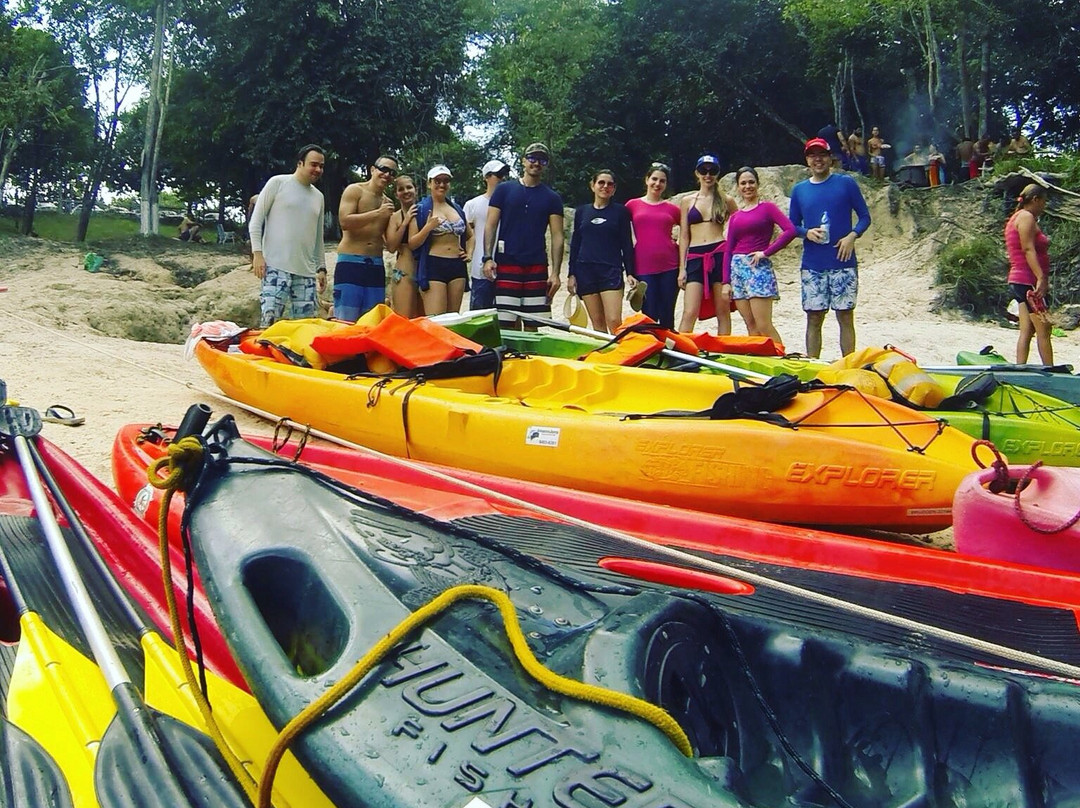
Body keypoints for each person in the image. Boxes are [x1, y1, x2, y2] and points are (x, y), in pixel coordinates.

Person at [788, 137, 872, 358]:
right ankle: (813, 365)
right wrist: (807, 232)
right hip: (813, 264)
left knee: (845, 316)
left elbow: (864, 217)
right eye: (813, 155)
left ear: (830, 158)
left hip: (843, 262)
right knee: (814, 317)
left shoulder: (846, 183)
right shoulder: (799, 190)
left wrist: (852, 236)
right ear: (807, 160)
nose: (818, 159)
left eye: (822, 155)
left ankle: (849, 365)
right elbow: (792, 225)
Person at [482, 142, 565, 330]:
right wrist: (487, 258)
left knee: (534, 324)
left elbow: (557, 235)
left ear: (546, 165)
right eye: (532, 158)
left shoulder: (552, 197)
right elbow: (490, 225)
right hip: (507, 264)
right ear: (523, 161)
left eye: (542, 159)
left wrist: (556, 273)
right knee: (506, 322)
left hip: (536, 266)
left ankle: (531, 359)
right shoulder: (504, 190)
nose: (536, 163)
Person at [249, 144, 327, 327]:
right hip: (276, 267)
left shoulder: (319, 197)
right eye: (313, 164)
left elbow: (318, 237)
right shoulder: (278, 183)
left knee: (305, 328)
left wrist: (321, 268)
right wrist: (257, 254)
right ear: (300, 163)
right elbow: (255, 221)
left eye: (321, 166)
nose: (318, 170)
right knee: (269, 322)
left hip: (306, 273)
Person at [721, 166, 796, 345]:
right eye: (743, 183)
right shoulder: (736, 216)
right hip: (737, 269)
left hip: (757, 267)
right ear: (738, 187)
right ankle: (761, 361)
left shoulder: (767, 208)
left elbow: (790, 230)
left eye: (751, 182)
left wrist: (766, 252)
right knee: (751, 325)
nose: (748, 186)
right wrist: (725, 281)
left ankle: (782, 358)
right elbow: (728, 248)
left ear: (758, 184)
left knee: (764, 325)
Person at [568, 169, 637, 333]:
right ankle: (604, 357)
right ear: (592, 186)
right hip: (585, 271)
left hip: (610, 270)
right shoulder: (582, 212)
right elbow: (576, 243)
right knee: (597, 324)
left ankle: (622, 356)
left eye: (610, 184)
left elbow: (626, 244)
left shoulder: (621, 212)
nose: (605, 187)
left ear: (614, 189)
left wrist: (630, 272)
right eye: (601, 183)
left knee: (614, 321)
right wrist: (571, 274)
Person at [678, 154, 737, 334]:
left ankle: (723, 349)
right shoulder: (687, 201)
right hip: (695, 255)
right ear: (697, 173)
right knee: (689, 312)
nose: (708, 175)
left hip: (719, 252)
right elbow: (684, 235)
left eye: (712, 171)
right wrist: (682, 268)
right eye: (704, 171)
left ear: (718, 174)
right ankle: (679, 350)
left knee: (723, 310)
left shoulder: (726, 200)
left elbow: (739, 225)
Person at [336, 156, 399, 321]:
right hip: (351, 262)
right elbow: (344, 221)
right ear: (373, 169)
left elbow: (389, 242)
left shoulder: (388, 203)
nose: (387, 175)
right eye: (383, 169)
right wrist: (377, 213)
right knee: (346, 320)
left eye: (392, 173)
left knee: (372, 319)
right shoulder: (355, 190)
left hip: (375, 265)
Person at [408, 165, 472, 316]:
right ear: (429, 183)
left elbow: (470, 235)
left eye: (445, 181)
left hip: (457, 265)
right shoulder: (421, 209)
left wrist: (469, 252)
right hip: (434, 264)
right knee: (437, 320)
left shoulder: (456, 209)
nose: (442, 185)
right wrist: (428, 228)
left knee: (454, 317)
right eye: (437, 181)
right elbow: (412, 243)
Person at [625, 162, 681, 328]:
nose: (657, 184)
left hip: (670, 267)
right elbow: (622, 234)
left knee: (667, 314)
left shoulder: (672, 209)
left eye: (662, 181)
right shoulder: (632, 205)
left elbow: (687, 232)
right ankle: (651, 350)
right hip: (643, 267)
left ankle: (670, 352)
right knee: (649, 315)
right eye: (654, 179)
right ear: (646, 180)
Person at [1006, 183, 1053, 365]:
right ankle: (1051, 371)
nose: (1044, 206)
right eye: (1043, 202)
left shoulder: (1017, 217)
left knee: (1027, 329)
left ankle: (1020, 367)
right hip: (1027, 280)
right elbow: (1028, 249)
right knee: (1044, 328)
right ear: (1036, 200)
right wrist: (1041, 277)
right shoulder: (1026, 217)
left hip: (1020, 279)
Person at [463, 160, 510, 311]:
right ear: (486, 177)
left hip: (508, 267)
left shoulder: (512, 203)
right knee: (480, 315)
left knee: (508, 316)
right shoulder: (472, 205)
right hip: (480, 269)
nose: (502, 178)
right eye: (498, 175)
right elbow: (465, 234)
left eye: (504, 175)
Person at [384, 175, 423, 317]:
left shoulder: (426, 212)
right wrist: (405, 222)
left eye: (409, 187)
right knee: (404, 320)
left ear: (416, 190)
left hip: (427, 271)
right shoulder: (395, 217)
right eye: (401, 189)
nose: (406, 191)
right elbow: (391, 246)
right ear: (396, 194)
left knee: (427, 322)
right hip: (404, 273)